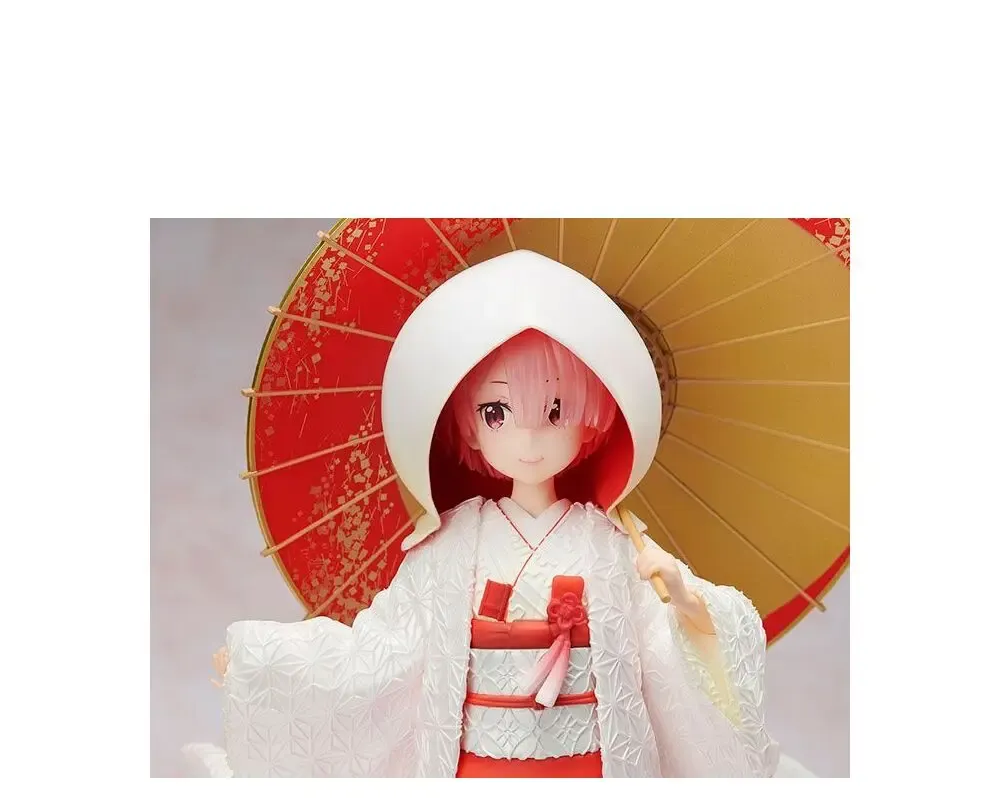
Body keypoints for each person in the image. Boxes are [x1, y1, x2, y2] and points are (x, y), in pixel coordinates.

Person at [215, 250, 779, 777]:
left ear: (593, 420)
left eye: (555, 410)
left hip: (587, 768)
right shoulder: (451, 545)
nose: (528, 437)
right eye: (497, 412)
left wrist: (685, 600)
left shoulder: (610, 546)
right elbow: (379, 655)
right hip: (478, 767)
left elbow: (668, 657)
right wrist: (261, 667)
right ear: (467, 424)